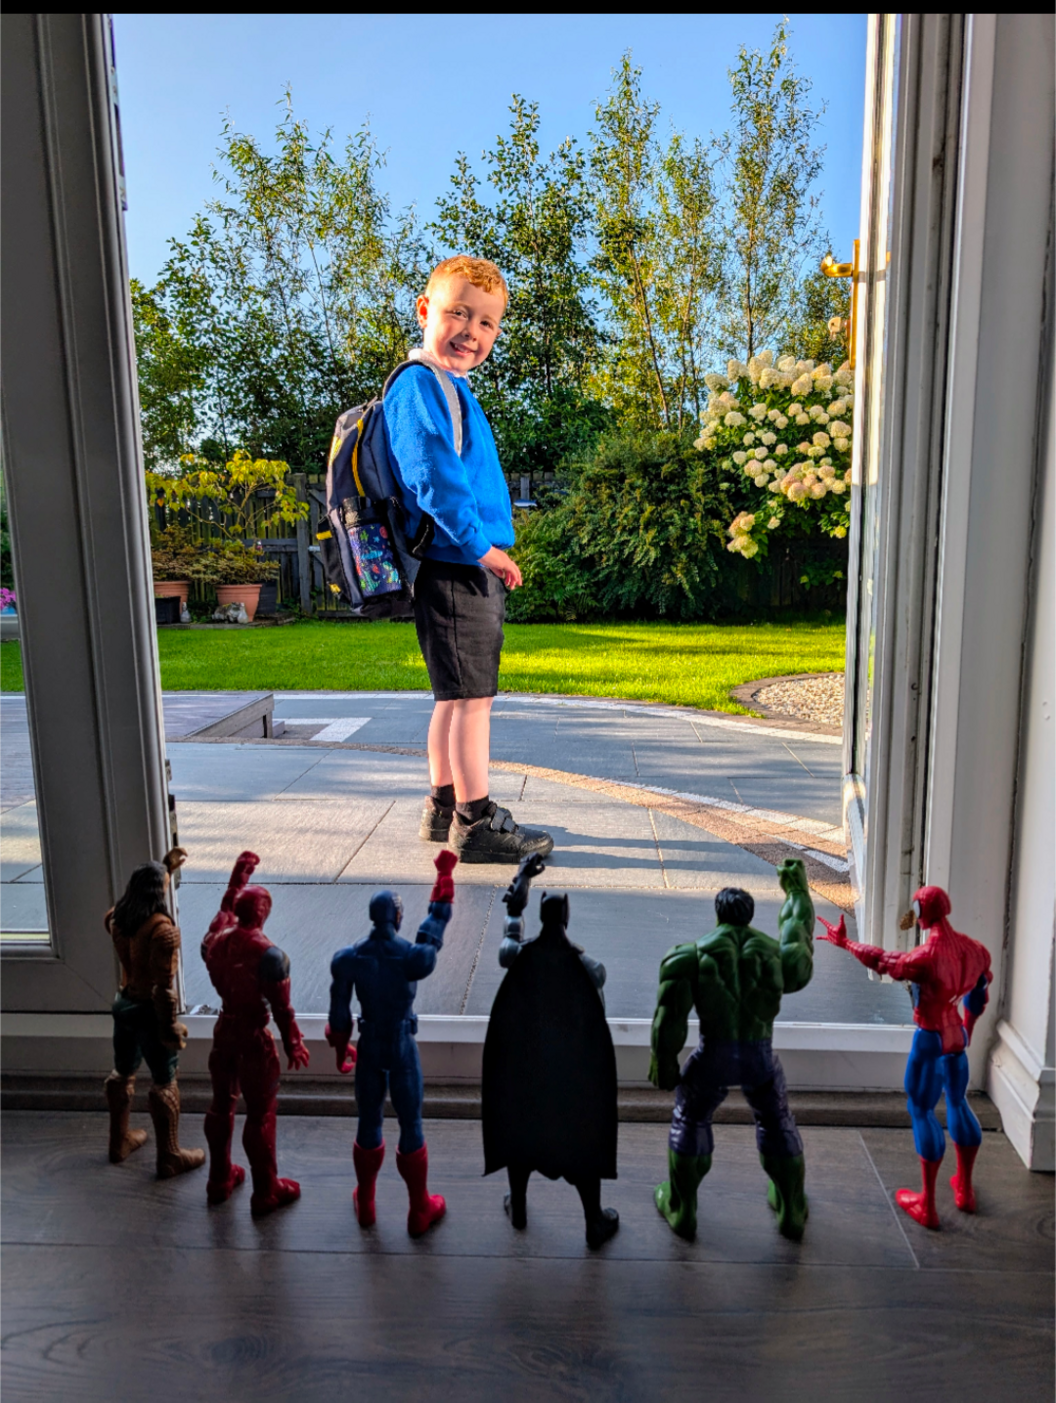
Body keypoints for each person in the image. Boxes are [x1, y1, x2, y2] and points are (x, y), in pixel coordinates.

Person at [383, 254, 553, 865]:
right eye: (458, 312)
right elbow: (433, 477)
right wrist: (485, 550)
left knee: (453, 697)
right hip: (458, 562)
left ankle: (441, 806)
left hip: (453, 561)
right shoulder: (420, 384)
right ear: (426, 311)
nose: (471, 331)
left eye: (486, 323)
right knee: (473, 700)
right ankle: (476, 820)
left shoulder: (447, 387)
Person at [649, 861, 815, 1243]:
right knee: (777, 1121)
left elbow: (668, 1019)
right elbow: (798, 938)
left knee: (690, 1119)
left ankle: (682, 1207)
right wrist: (798, 893)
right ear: (750, 915)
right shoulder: (774, 957)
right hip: (760, 1056)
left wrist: (665, 1062)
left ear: (718, 914)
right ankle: (791, 1209)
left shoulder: (690, 957)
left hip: (713, 1056)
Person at [818, 885, 992, 1229]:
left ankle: (927, 1204)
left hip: (930, 1036)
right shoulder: (975, 950)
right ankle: (965, 1190)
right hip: (956, 1035)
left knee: (922, 1111)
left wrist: (845, 942)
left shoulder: (926, 957)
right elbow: (979, 993)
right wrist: (968, 1027)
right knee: (958, 1104)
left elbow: (882, 960)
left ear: (922, 912)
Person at [482, 855, 620, 1250]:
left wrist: (521, 883)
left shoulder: (520, 955)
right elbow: (597, 1005)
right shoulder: (588, 967)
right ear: (567, 921)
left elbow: (510, 931)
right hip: (569, 1072)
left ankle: (520, 1208)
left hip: (526, 1068)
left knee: (520, 1138)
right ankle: (593, 1221)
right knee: (581, 1145)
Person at [326, 851, 458, 1238]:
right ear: (397, 917)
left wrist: (339, 1050)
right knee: (410, 1123)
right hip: (401, 1046)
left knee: (368, 1122)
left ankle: (366, 1202)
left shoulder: (348, 959)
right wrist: (444, 876)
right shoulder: (412, 958)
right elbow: (436, 923)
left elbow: (338, 1017)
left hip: (370, 1047)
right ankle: (419, 1209)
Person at [201, 851, 310, 1217]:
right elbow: (282, 1009)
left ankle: (219, 1178)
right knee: (261, 1112)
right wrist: (294, 1042)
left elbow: (224, 914)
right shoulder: (269, 955)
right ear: (262, 913)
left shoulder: (216, 941)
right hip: (252, 1036)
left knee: (221, 1103)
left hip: (224, 1029)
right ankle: (266, 1190)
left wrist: (237, 880)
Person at [103, 845, 205, 1179]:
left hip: (123, 1006)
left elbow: (137, 899)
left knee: (122, 1073)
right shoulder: (163, 932)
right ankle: (170, 1156)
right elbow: (163, 988)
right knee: (164, 1082)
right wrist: (169, 1026)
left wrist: (163, 869)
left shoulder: (116, 918)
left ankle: (118, 1143)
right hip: (148, 1011)